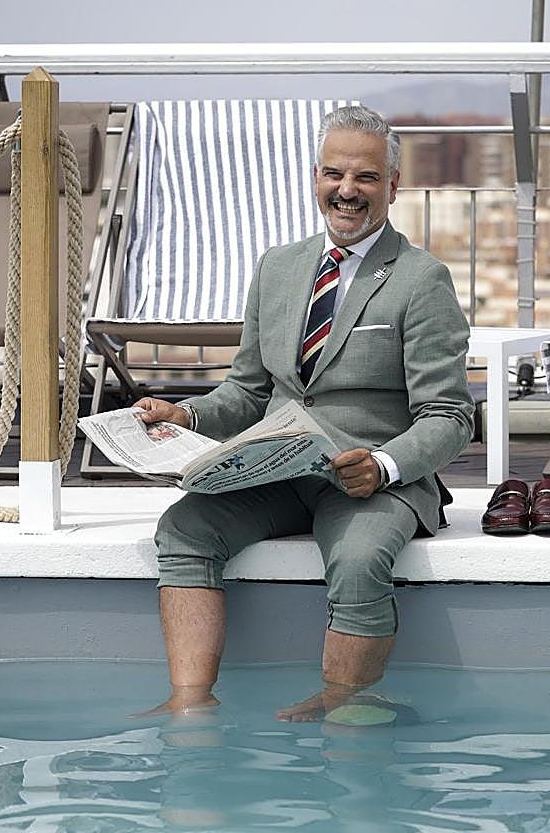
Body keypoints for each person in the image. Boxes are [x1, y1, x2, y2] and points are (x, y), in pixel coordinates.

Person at [134, 105, 474, 722]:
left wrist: (384, 465)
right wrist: (182, 416)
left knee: (359, 559)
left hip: (369, 481)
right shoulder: (277, 268)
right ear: (315, 176)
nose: (347, 191)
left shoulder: (423, 279)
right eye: (334, 174)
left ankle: (344, 706)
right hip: (279, 472)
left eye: (366, 178)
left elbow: (450, 415)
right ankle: (190, 703)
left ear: (393, 186)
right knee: (184, 529)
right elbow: (247, 394)